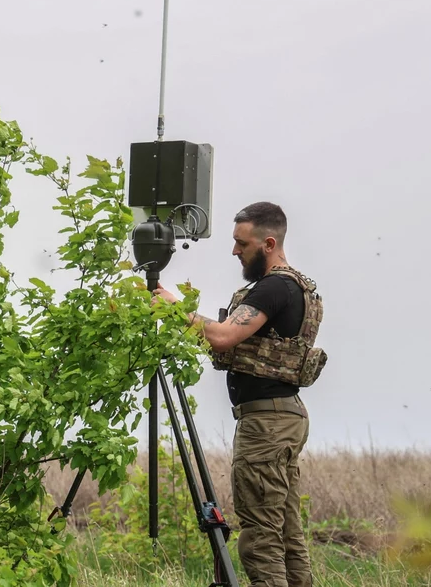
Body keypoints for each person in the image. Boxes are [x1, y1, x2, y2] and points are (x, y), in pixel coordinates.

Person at [151, 201, 321, 587]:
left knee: (260, 538)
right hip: (283, 417)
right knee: (286, 534)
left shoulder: (275, 286)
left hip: (266, 424)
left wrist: (175, 308)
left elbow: (226, 336)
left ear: (268, 243)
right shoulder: (297, 286)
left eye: (241, 244)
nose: (234, 251)